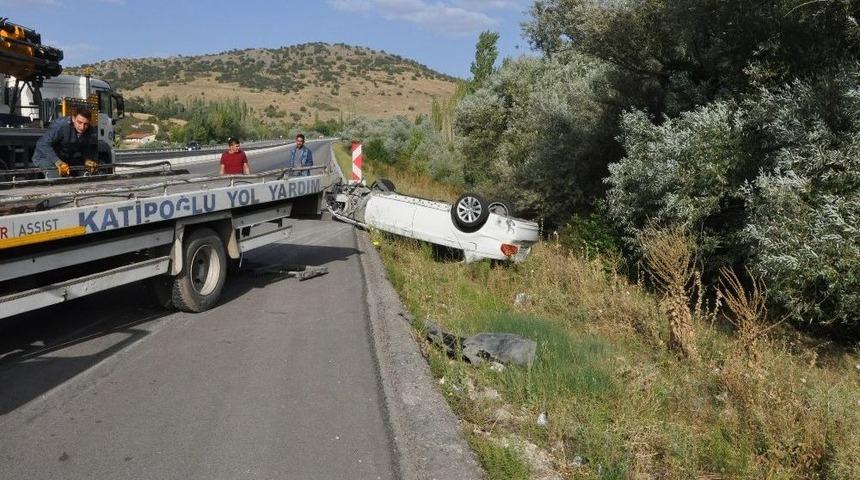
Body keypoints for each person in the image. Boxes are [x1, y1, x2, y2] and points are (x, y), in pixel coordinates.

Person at [32, 107, 99, 178]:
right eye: (79, 122)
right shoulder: (61, 126)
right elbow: (42, 144)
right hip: (45, 157)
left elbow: (85, 146)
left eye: (86, 124)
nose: (82, 127)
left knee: (88, 174)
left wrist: (87, 159)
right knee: (58, 179)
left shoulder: (89, 129)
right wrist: (58, 162)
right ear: (73, 119)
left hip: (65, 158)